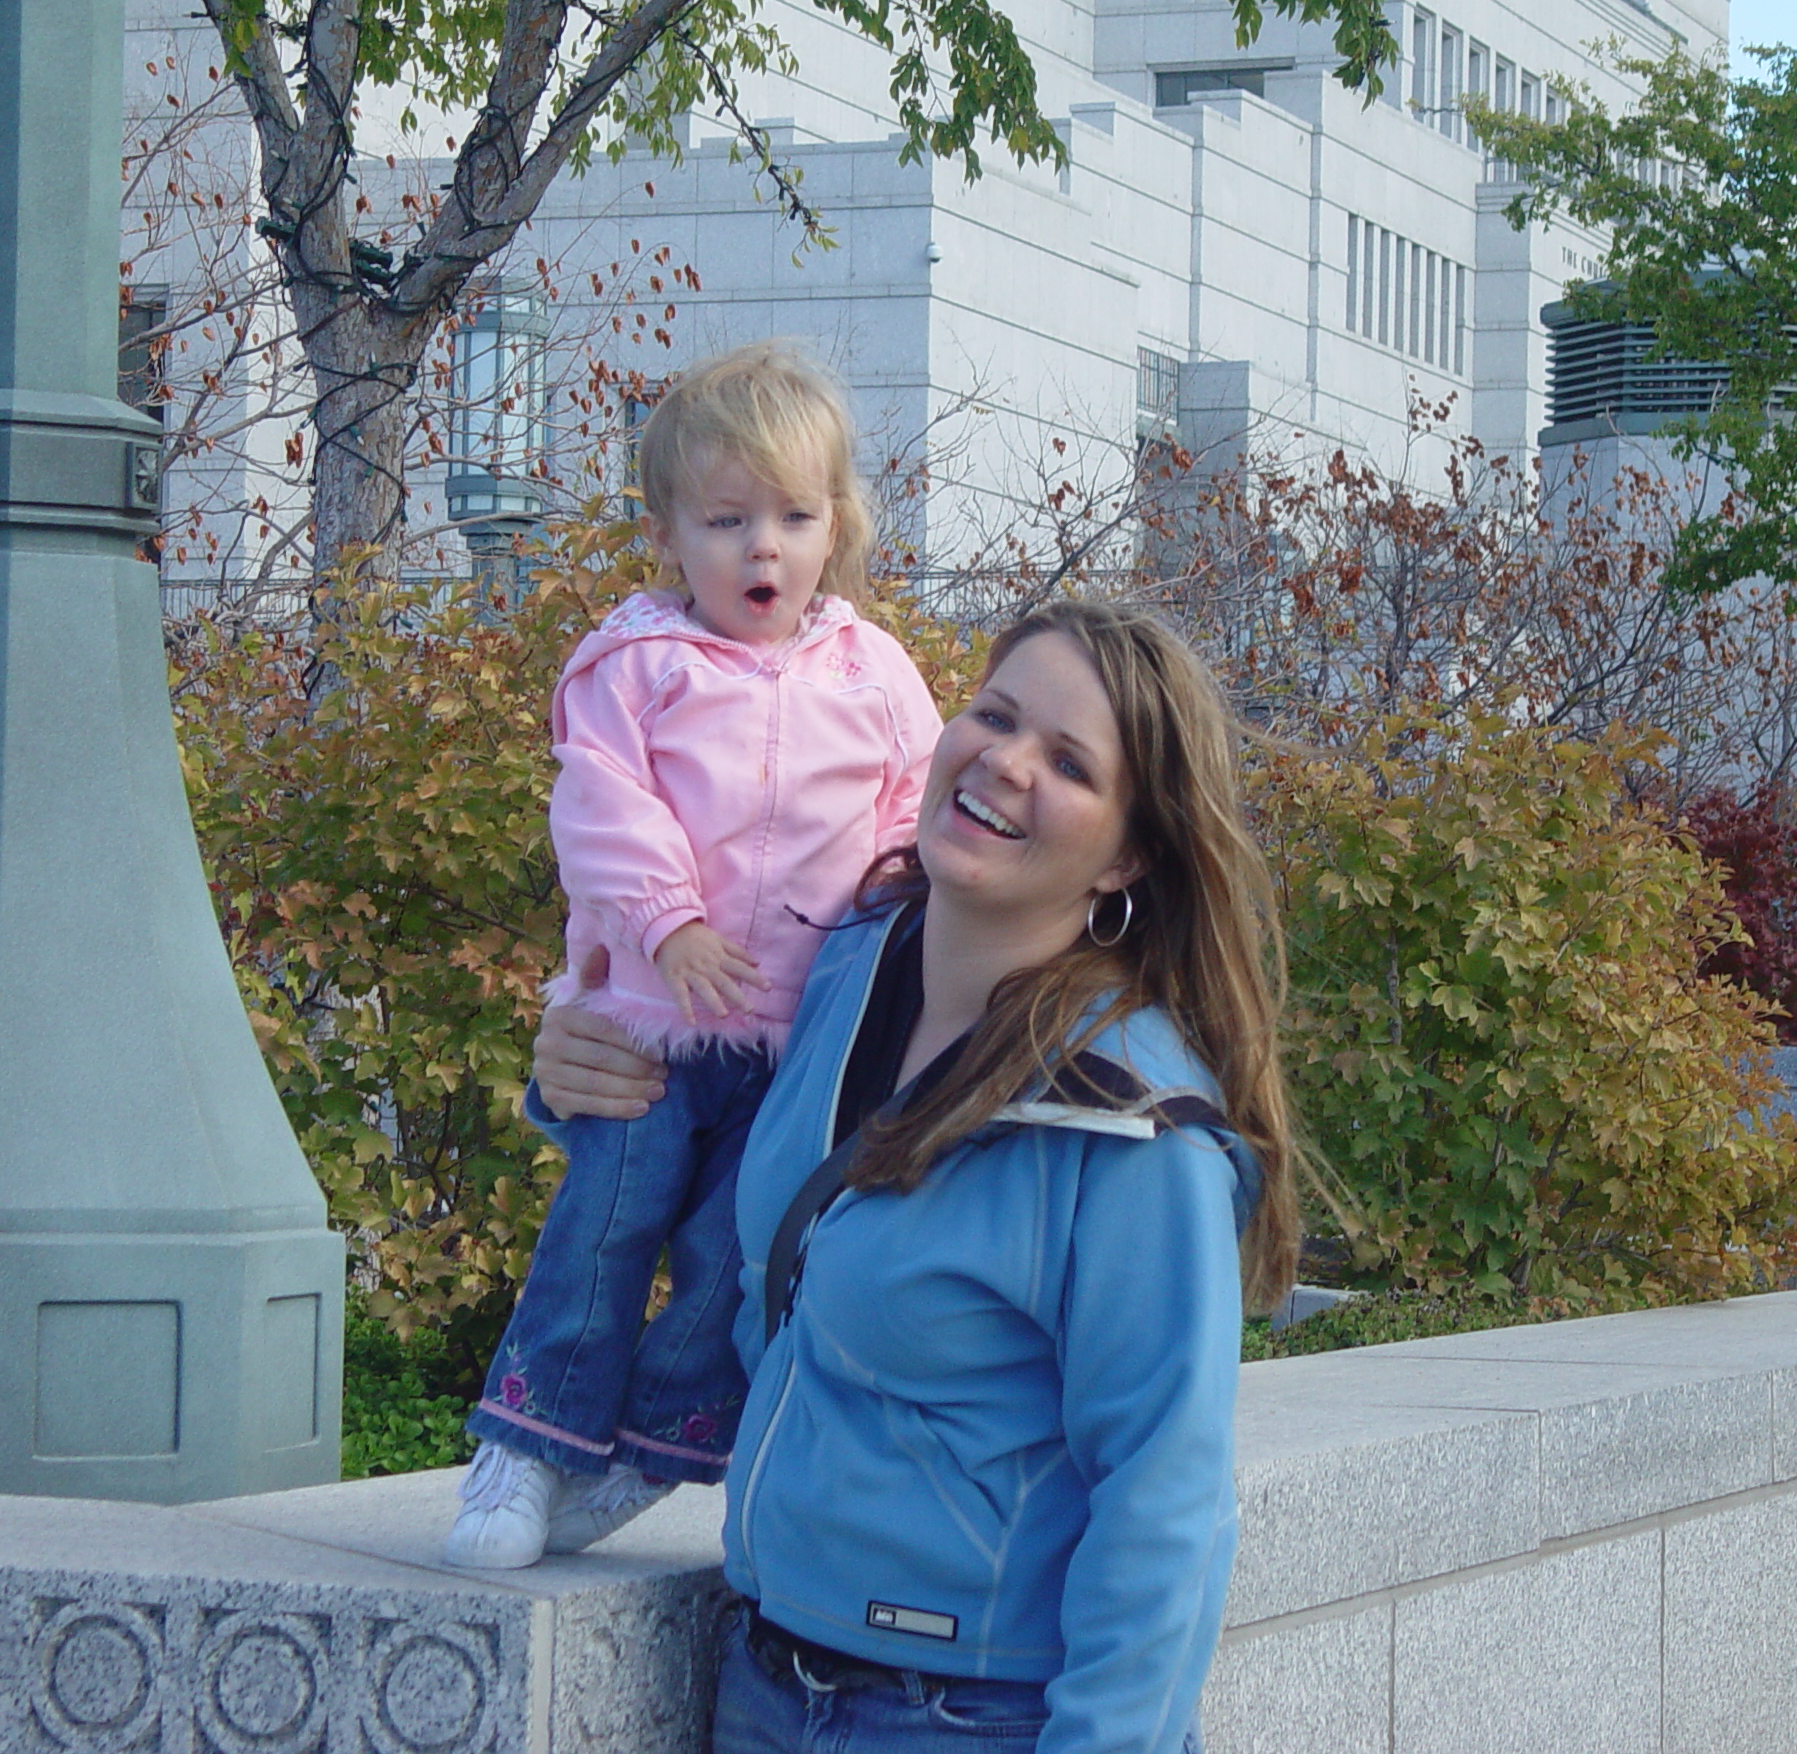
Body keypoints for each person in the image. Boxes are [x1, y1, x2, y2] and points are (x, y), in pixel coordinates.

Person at [530, 600, 1299, 1753]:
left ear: (1130, 852)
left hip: (971, 1715)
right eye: (994, 714)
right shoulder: (842, 966)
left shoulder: (1133, 1128)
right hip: (761, 1680)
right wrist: (575, 1069)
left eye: (1070, 763)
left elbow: (1166, 1500)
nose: (1005, 762)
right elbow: (698, 1114)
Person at [447, 340, 944, 1570]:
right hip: (649, 1022)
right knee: (606, 1225)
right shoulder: (637, 662)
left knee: (735, 1252)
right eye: (725, 520)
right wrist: (667, 922)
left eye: (792, 516)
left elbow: (911, 811)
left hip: (796, 1045)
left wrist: (885, 941)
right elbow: (600, 802)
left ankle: (641, 1450)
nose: (760, 548)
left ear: (838, 529)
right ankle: (527, 1441)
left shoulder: (872, 672)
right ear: (668, 532)